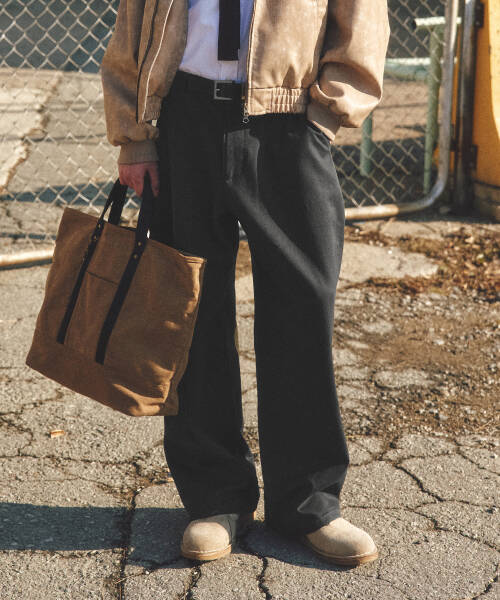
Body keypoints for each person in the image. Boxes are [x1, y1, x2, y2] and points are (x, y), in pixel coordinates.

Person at [100, 0, 390, 567]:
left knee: (302, 307)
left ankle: (308, 503)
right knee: (193, 310)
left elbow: (362, 19)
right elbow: (133, 20)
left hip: (291, 120)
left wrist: (327, 113)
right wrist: (134, 135)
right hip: (184, 116)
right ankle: (216, 499)